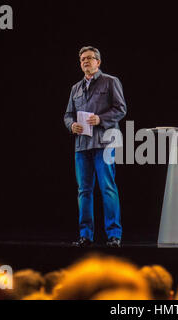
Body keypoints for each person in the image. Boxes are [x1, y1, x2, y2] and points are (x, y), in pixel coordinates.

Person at [64, 46, 126, 248]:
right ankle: (85, 235)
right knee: (84, 191)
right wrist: (71, 125)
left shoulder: (110, 81)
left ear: (98, 62)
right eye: (82, 59)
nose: (85, 61)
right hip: (82, 146)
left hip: (104, 143)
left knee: (107, 188)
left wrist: (101, 118)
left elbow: (121, 109)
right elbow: (68, 115)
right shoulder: (76, 88)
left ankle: (114, 235)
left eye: (90, 58)